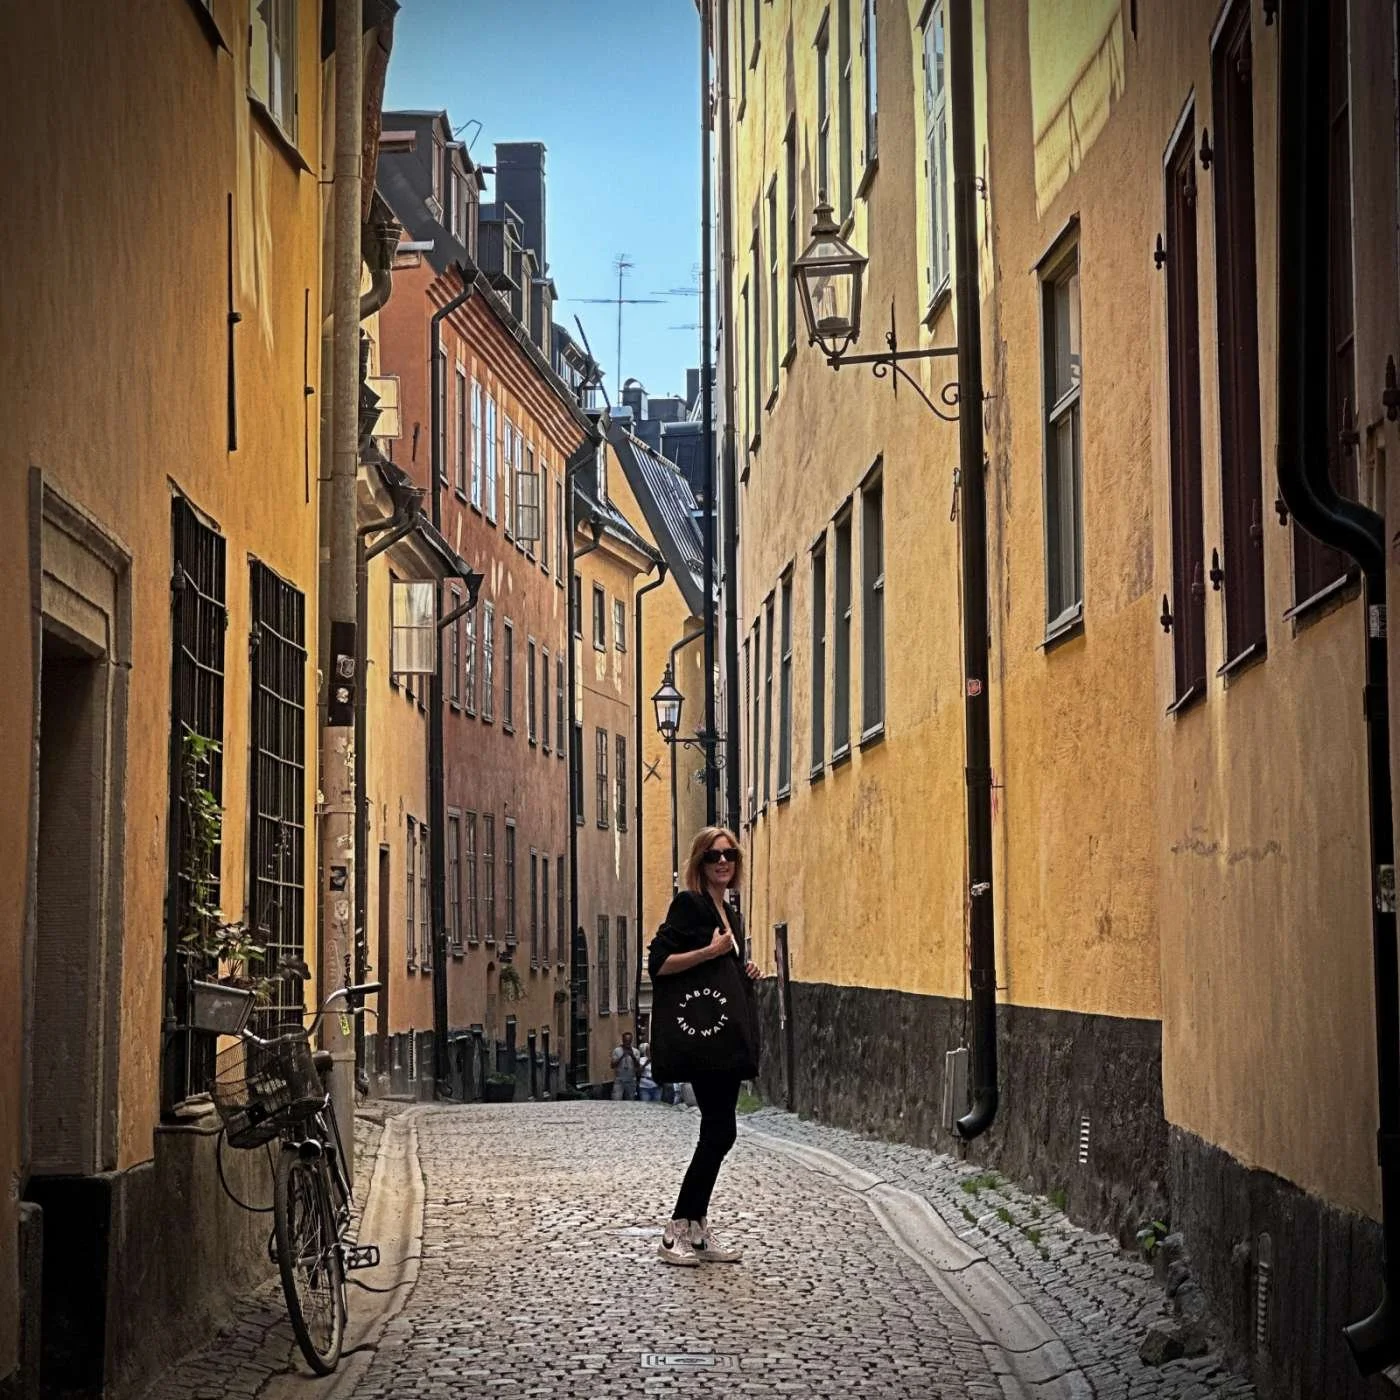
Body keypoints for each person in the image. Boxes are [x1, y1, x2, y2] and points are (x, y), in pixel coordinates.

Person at [648, 826, 761, 1266]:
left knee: (722, 1130)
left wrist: (741, 967)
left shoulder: (729, 909)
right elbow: (659, 963)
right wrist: (710, 954)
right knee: (719, 1130)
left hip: (725, 1036)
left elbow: (722, 962)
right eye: (713, 855)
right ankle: (676, 1227)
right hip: (704, 1035)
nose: (722, 861)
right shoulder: (689, 905)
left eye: (729, 854)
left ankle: (696, 1229)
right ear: (699, 862)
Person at [611, 1032, 641, 1101]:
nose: (627, 1042)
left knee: (630, 1100)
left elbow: (638, 1066)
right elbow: (612, 1065)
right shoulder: (617, 1050)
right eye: (626, 1040)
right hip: (619, 1080)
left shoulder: (636, 1051)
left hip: (631, 1080)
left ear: (631, 1040)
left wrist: (632, 1056)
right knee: (616, 1099)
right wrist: (622, 1056)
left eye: (629, 1041)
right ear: (623, 1040)